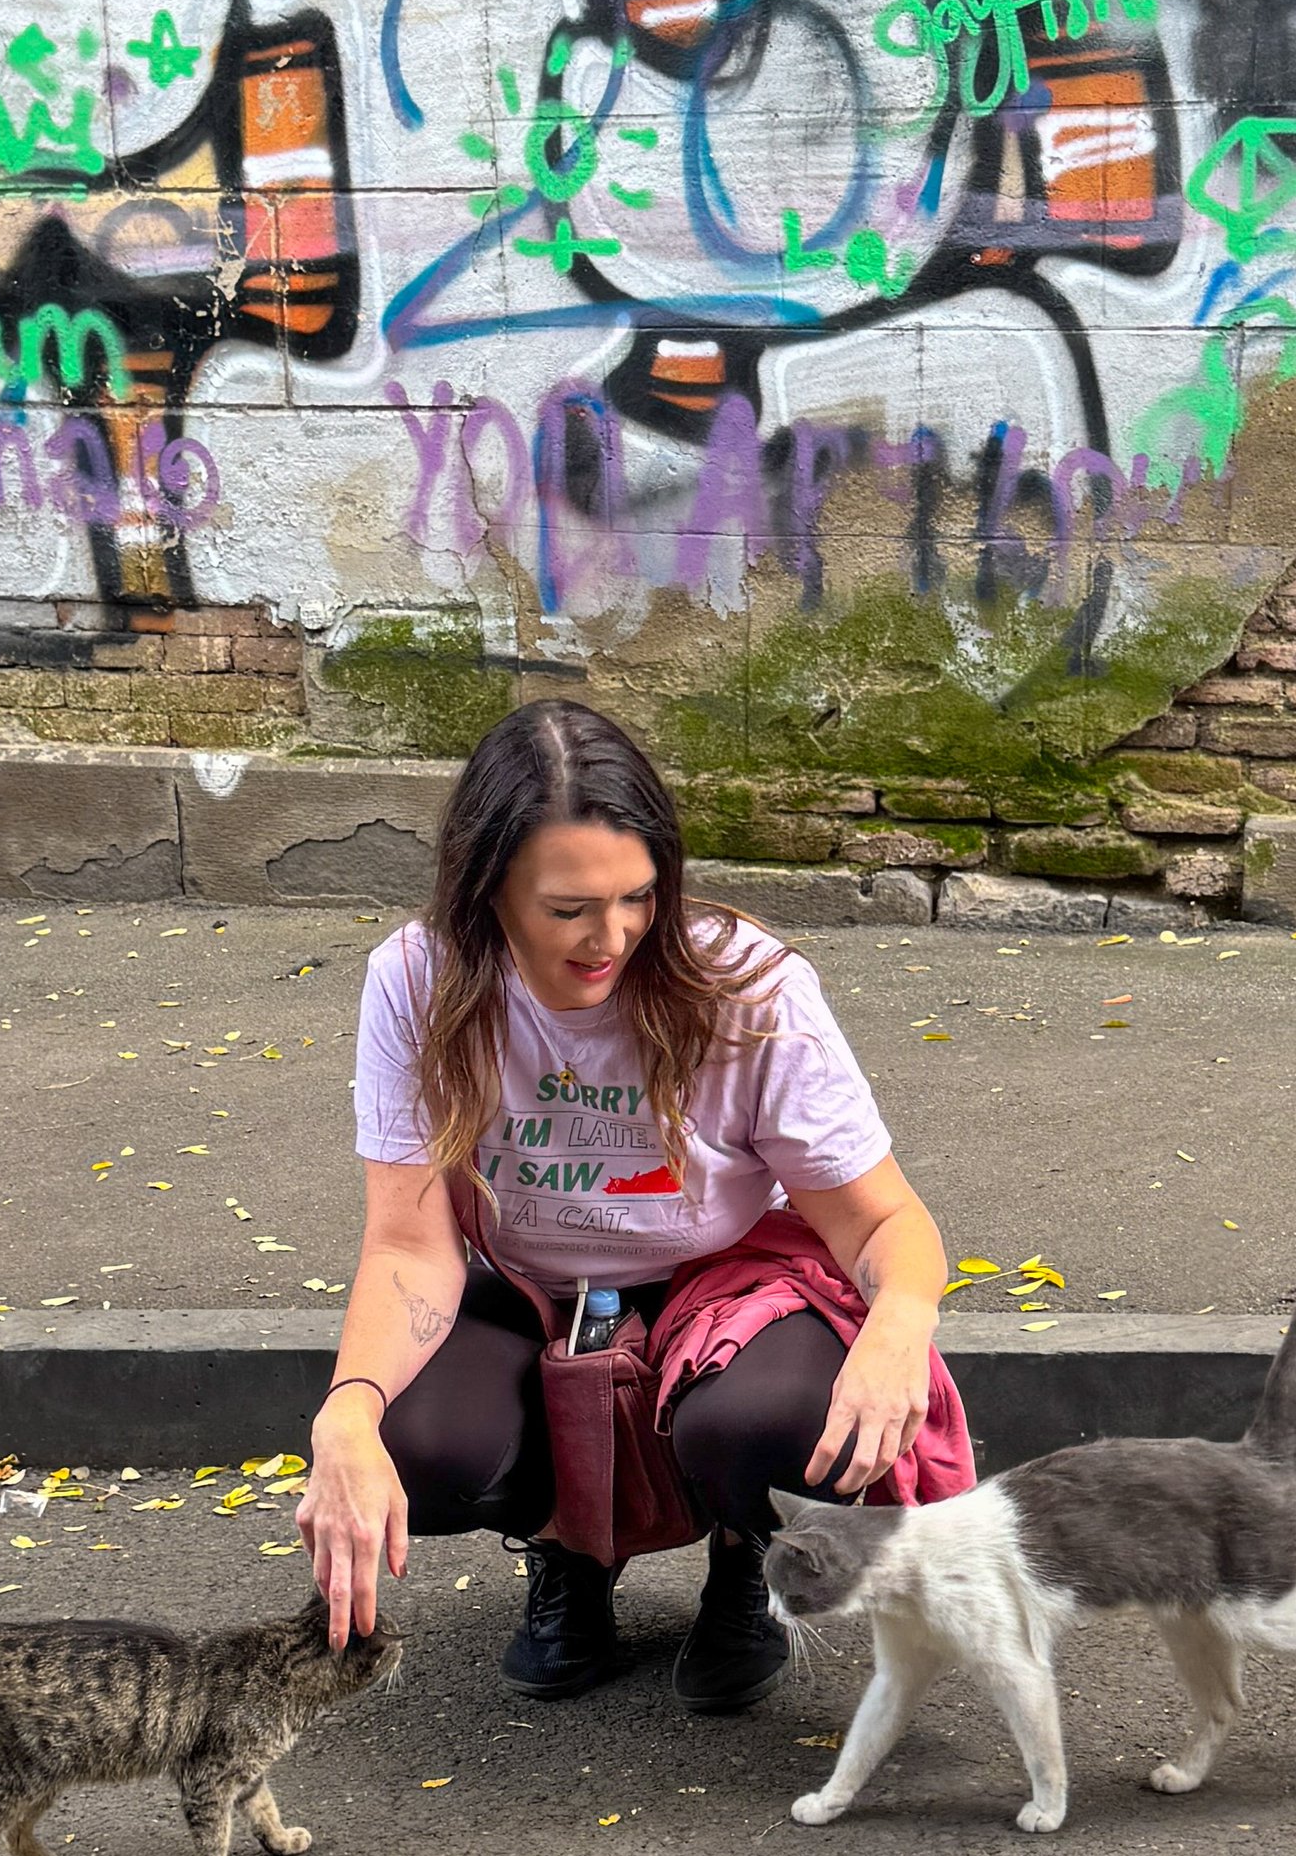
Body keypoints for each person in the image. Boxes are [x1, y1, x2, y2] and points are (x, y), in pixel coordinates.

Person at [297, 699, 966, 1713]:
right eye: (566, 908)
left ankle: (747, 1551)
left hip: (726, 1283)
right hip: (535, 1288)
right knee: (408, 1443)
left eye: (637, 898)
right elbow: (406, 1245)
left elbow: (883, 1223)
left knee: (783, 1424)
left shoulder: (747, 989)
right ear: (487, 894)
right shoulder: (418, 980)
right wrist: (346, 1412)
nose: (608, 938)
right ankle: (569, 1551)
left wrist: (896, 1329)